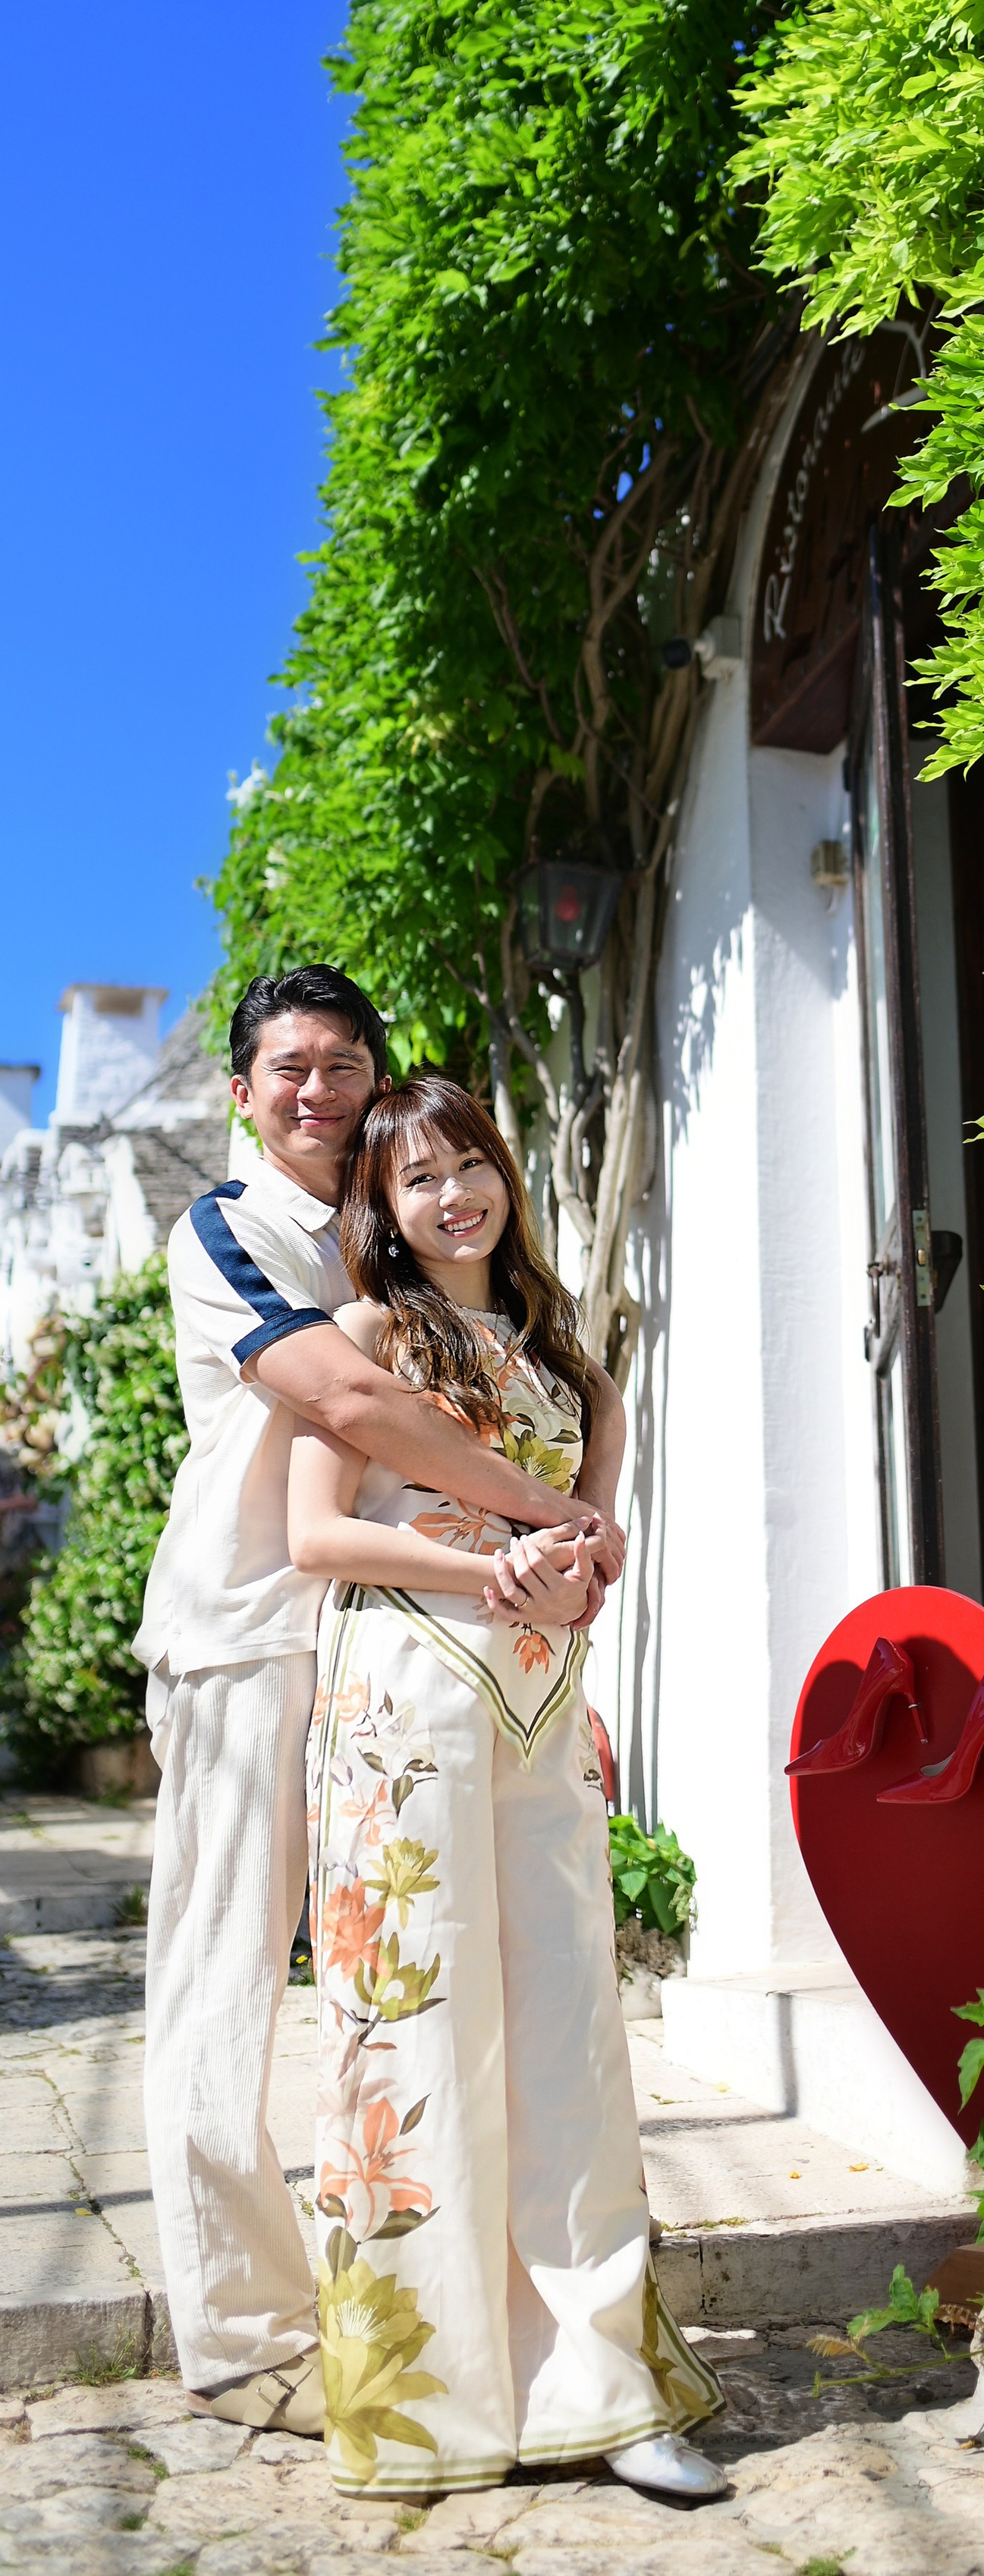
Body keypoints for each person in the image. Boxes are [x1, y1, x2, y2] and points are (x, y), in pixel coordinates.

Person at [139, 969, 623, 2436]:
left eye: (344, 1065)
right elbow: (354, 1411)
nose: (317, 1090)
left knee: (401, 1989)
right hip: (247, 1639)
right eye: (288, 1068)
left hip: (402, 1655)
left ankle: (438, 2302)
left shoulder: (391, 1232)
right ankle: (242, 2333)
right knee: (224, 1987)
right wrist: (565, 1513)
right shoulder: (230, 1228)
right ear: (243, 1092)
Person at [286, 1073, 726, 2504]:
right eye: (419, 1178)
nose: (453, 1192)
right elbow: (314, 1538)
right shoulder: (355, 1341)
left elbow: (601, 1565)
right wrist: (488, 1566)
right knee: (413, 2038)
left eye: (471, 1160)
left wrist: (570, 1570)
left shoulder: (571, 1363)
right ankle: (427, 2400)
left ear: (505, 1175)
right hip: (396, 1718)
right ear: (387, 1211)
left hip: (539, 1717)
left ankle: (603, 2390)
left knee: (566, 2037)